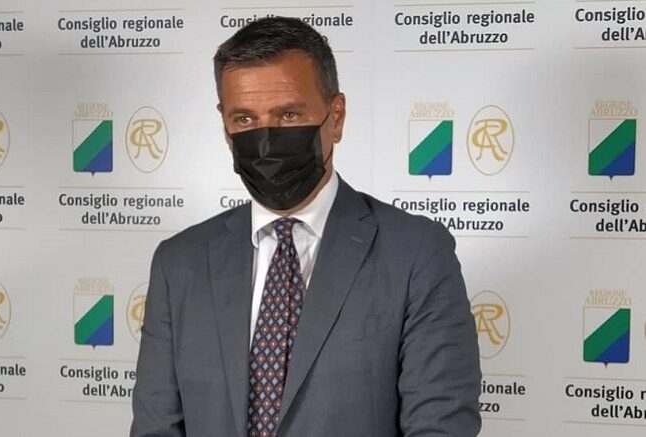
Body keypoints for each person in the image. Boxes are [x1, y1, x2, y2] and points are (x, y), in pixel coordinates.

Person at [131, 16, 481, 437]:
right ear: (225, 125)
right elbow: (156, 428)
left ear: (336, 117)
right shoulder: (179, 263)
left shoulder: (416, 254)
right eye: (245, 120)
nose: (265, 140)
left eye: (289, 115)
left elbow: (439, 426)